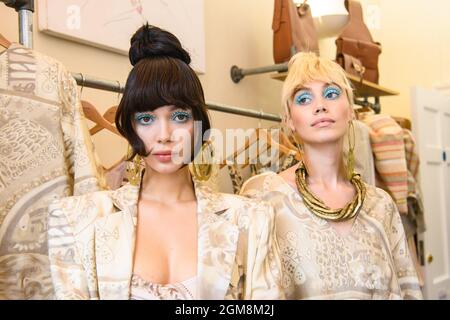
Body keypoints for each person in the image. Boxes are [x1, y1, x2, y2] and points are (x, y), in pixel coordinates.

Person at [47, 24, 283, 300]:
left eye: (179, 117)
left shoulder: (251, 220)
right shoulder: (78, 219)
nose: (164, 136)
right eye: (146, 119)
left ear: (199, 123)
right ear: (130, 126)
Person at [240, 52, 423, 300]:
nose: (320, 105)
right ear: (289, 120)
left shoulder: (381, 205)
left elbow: (408, 292)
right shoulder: (262, 198)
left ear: (351, 111)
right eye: (304, 98)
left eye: (332, 94)